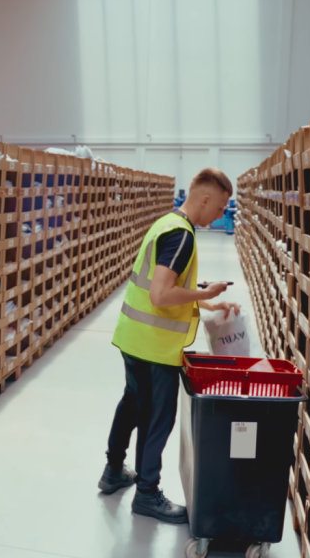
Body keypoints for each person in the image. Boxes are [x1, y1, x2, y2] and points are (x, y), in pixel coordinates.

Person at [98, 167, 240, 524]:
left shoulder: (166, 223)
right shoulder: (182, 236)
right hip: (156, 347)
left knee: (133, 404)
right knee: (156, 418)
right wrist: (204, 294)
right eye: (220, 207)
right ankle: (147, 494)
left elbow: (166, 287)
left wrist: (208, 302)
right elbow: (161, 294)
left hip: (135, 337)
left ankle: (113, 471)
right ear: (205, 199)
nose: (220, 215)